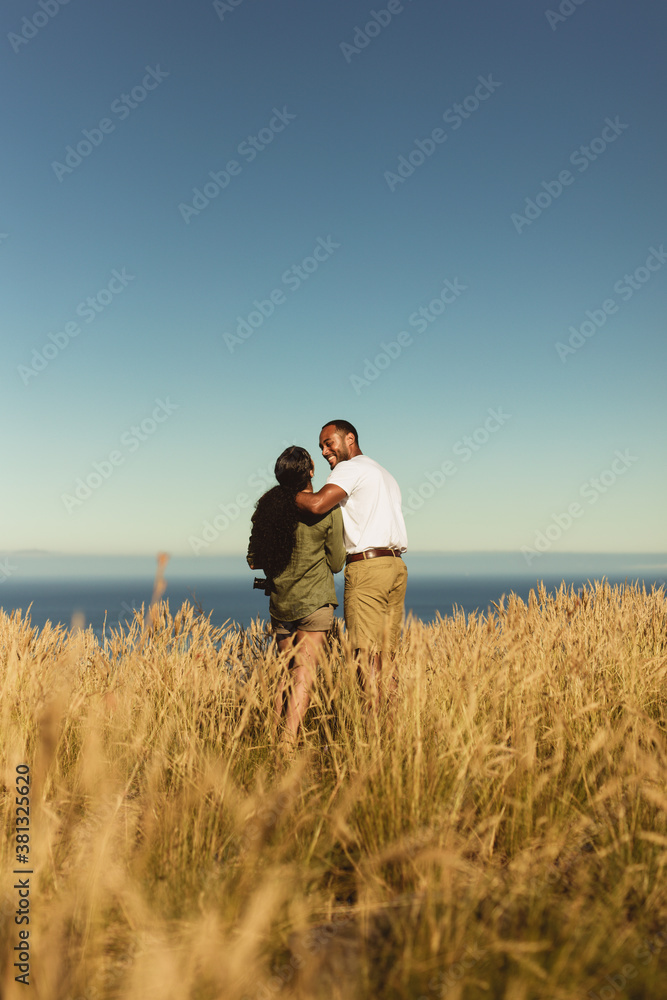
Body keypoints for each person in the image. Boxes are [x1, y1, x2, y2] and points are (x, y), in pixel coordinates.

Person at [294, 420, 408, 701]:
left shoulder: (350, 468)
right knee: (387, 656)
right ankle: (391, 733)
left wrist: (287, 496)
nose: (323, 451)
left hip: (368, 568)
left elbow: (319, 503)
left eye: (328, 443)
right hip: (396, 566)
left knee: (365, 656)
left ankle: (370, 733)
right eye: (321, 446)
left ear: (349, 439)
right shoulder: (383, 473)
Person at [247, 445, 345, 743]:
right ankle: (287, 745)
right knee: (304, 674)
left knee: (285, 671)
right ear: (311, 472)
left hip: (281, 602)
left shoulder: (267, 510)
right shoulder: (327, 510)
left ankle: (269, 737)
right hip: (314, 601)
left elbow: (255, 559)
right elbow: (338, 562)